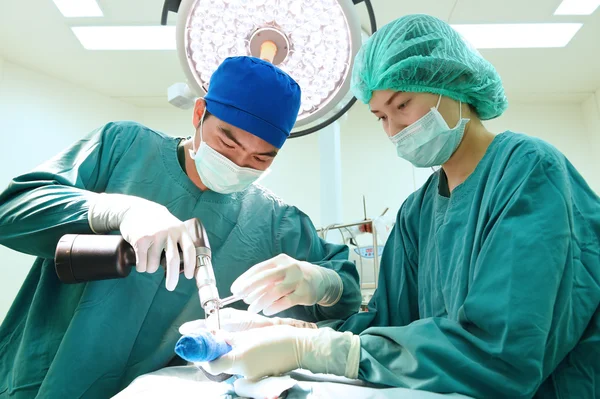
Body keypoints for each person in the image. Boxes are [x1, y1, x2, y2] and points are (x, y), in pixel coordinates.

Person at [196, 15, 600, 398]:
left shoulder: (527, 170)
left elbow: (505, 351)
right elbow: (387, 327)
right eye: (380, 117)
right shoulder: (416, 213)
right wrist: (278, 329)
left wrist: (311, 349)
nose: (394, 129)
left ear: (454, 80)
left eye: (402, 104)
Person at [0, 56, 361, 398]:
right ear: (200, 113)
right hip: (43, 379)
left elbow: (345, 298)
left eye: (260, 158)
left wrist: (321, 283)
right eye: (228, 141)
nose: (239, 162)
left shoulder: (276, 222)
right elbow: (11, 211)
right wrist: (117, 210)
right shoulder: (122, 147)